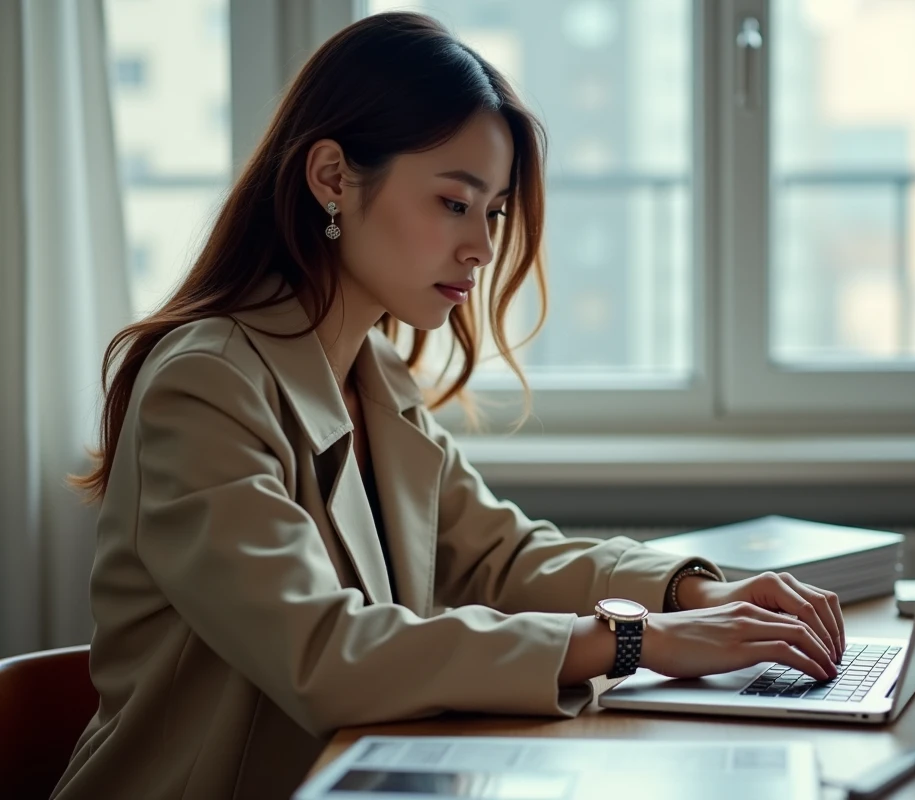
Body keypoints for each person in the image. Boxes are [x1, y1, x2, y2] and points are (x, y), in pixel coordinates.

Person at [52, 12, 845, 800]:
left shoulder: (374, 373)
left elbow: (500, 558)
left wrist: (699, 595)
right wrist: (640, 641)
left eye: (493, 211)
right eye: (455, 203)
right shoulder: (205, 387)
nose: (483, 247)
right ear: (331, 177)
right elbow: (325, 652)